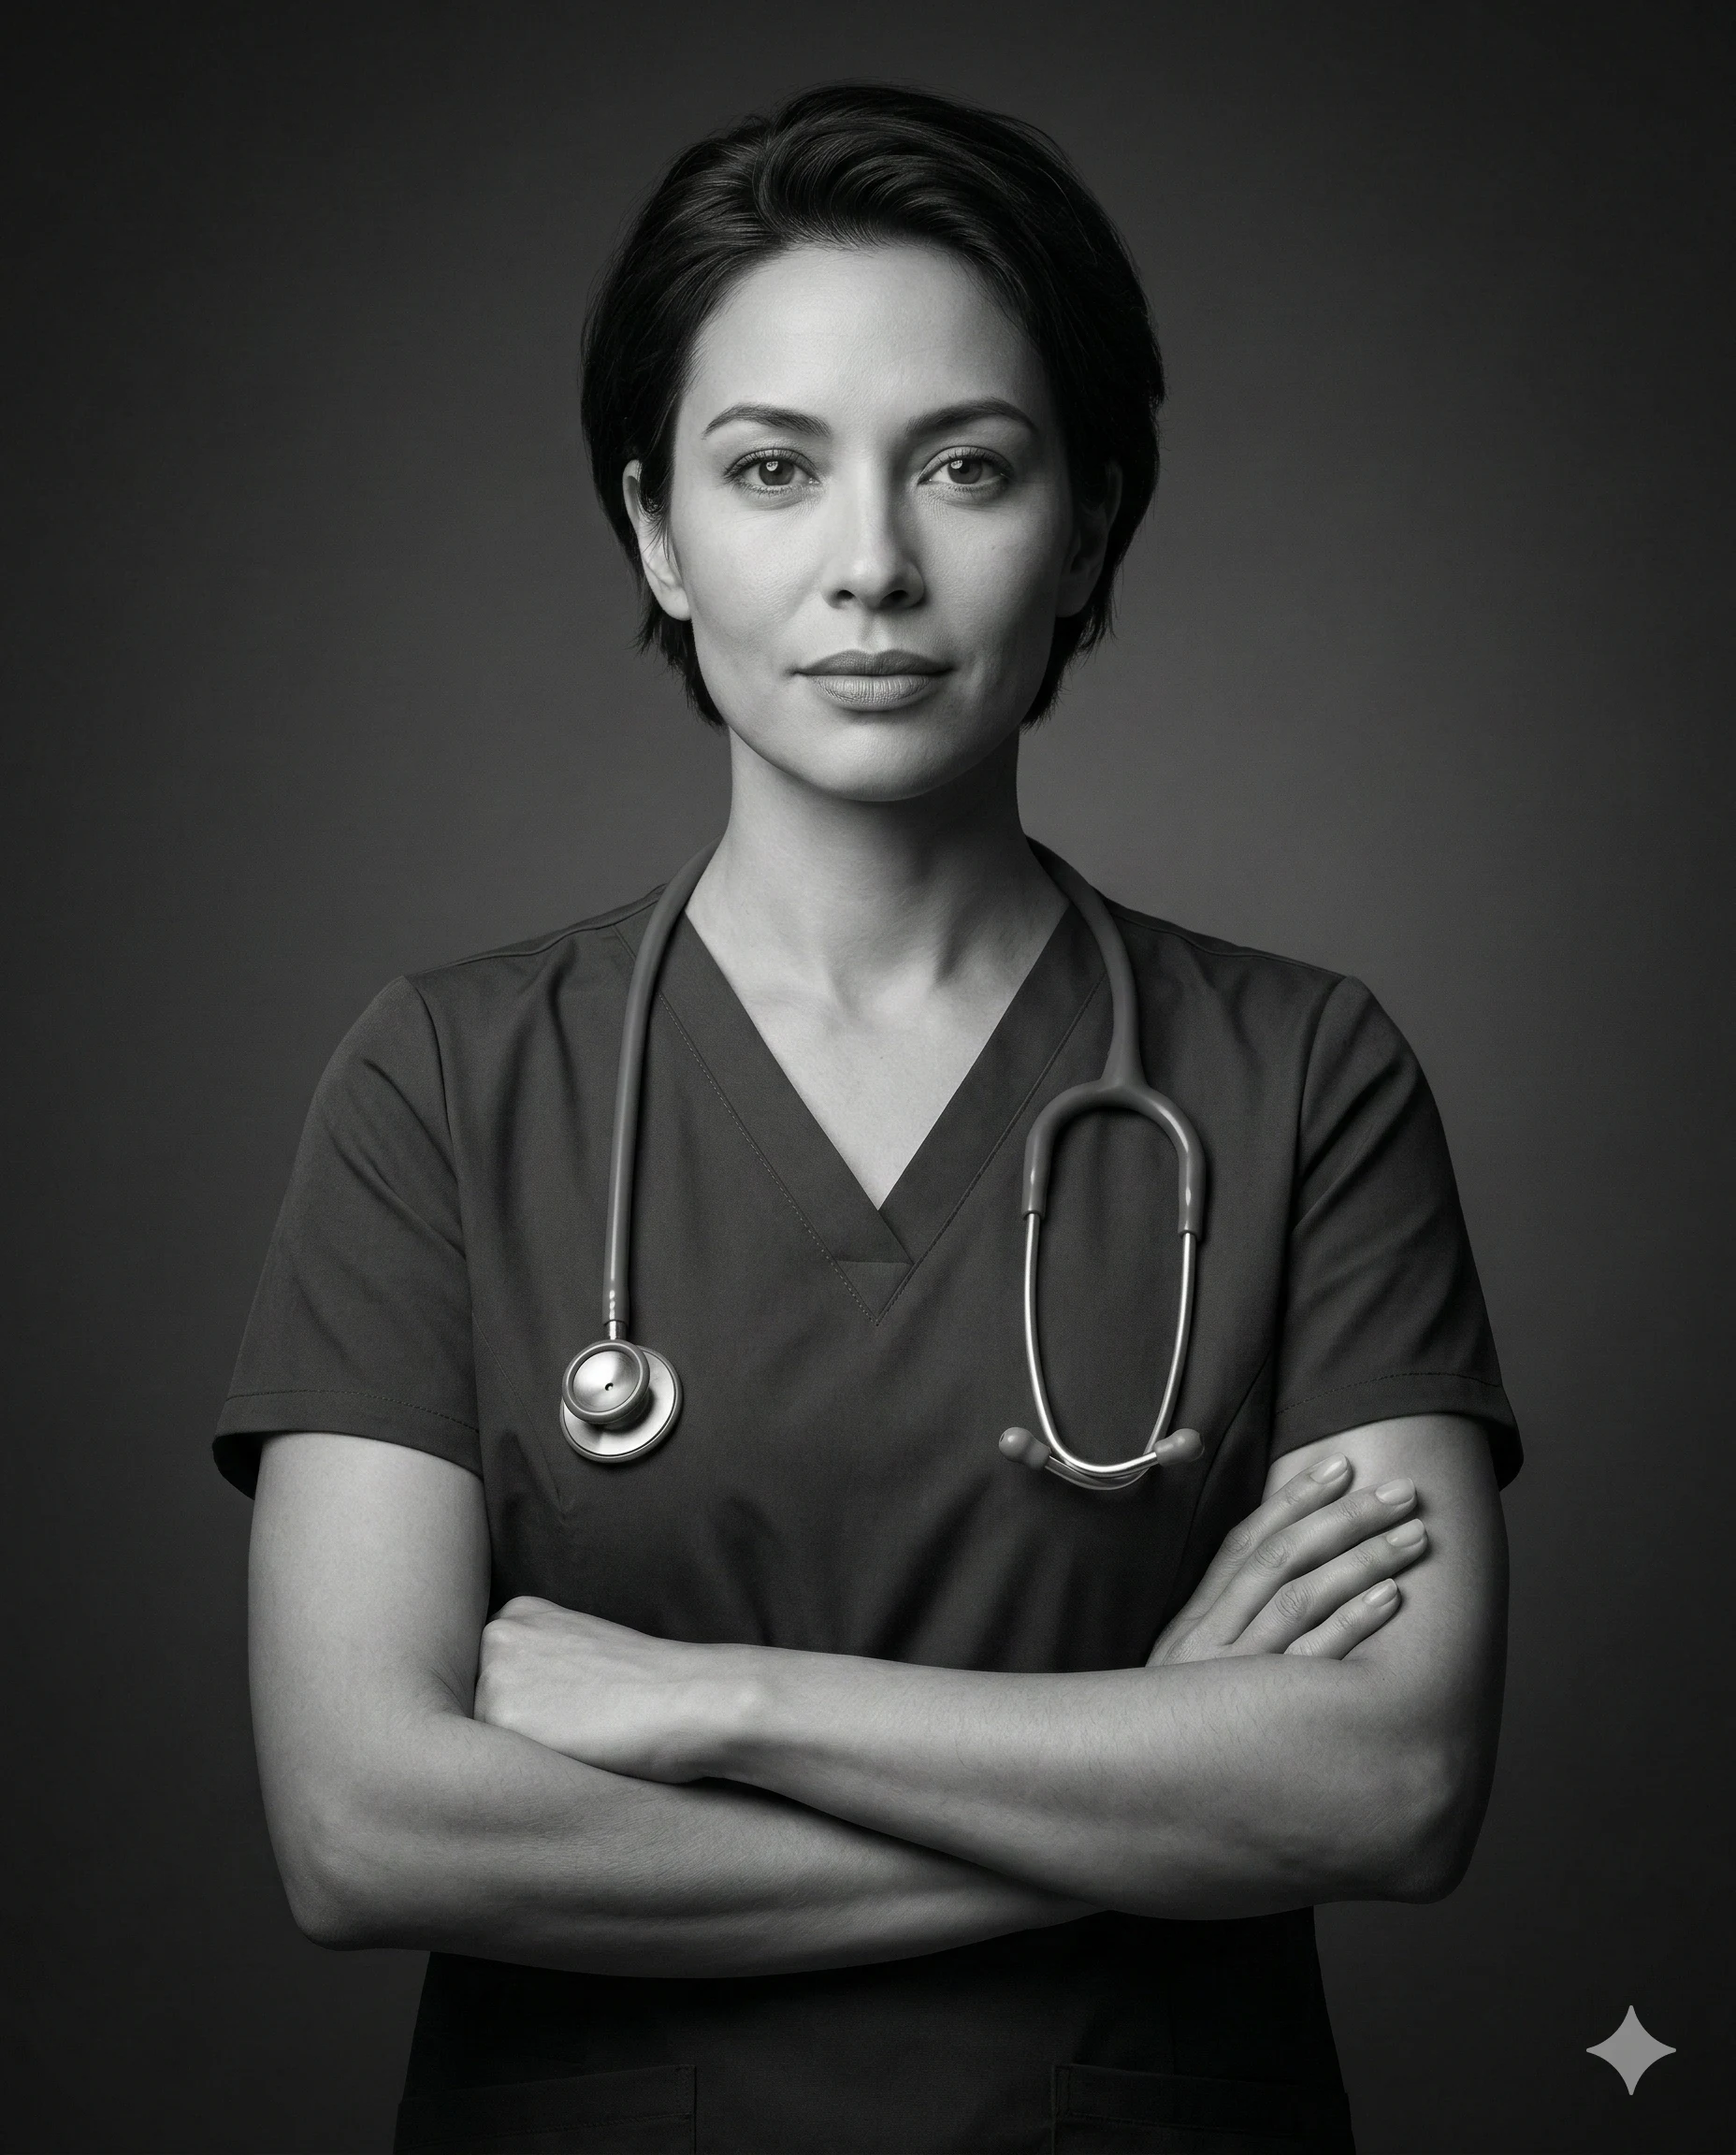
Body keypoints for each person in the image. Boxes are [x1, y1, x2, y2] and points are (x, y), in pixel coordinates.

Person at [219, 84, 1521, 2155]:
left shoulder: (1302, 1079)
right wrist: (1150, 1770)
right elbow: (365, 1831)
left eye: (970, 468)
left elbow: (1389, 1787)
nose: (872, 567)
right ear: (653, 527)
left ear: (1089, 521)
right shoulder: (447, 1082)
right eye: (769, 470)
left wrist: (714, 1702)